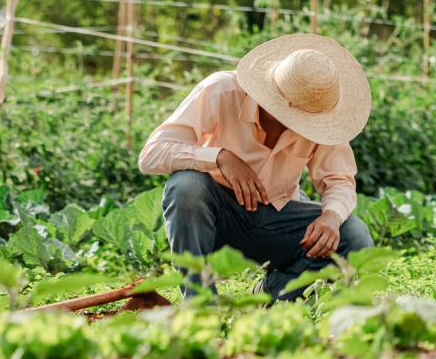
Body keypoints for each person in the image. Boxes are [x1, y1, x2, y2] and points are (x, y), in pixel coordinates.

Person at [138, 33, 374, 300]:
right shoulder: (221, 91)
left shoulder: (323, 117)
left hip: (277, 221)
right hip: (215, 220)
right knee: (186, 187)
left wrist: (331, 216)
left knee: (355, 237)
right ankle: (201, 304)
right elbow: (151, 155)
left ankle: (269, 298)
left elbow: (339, 180)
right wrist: (220, 157)